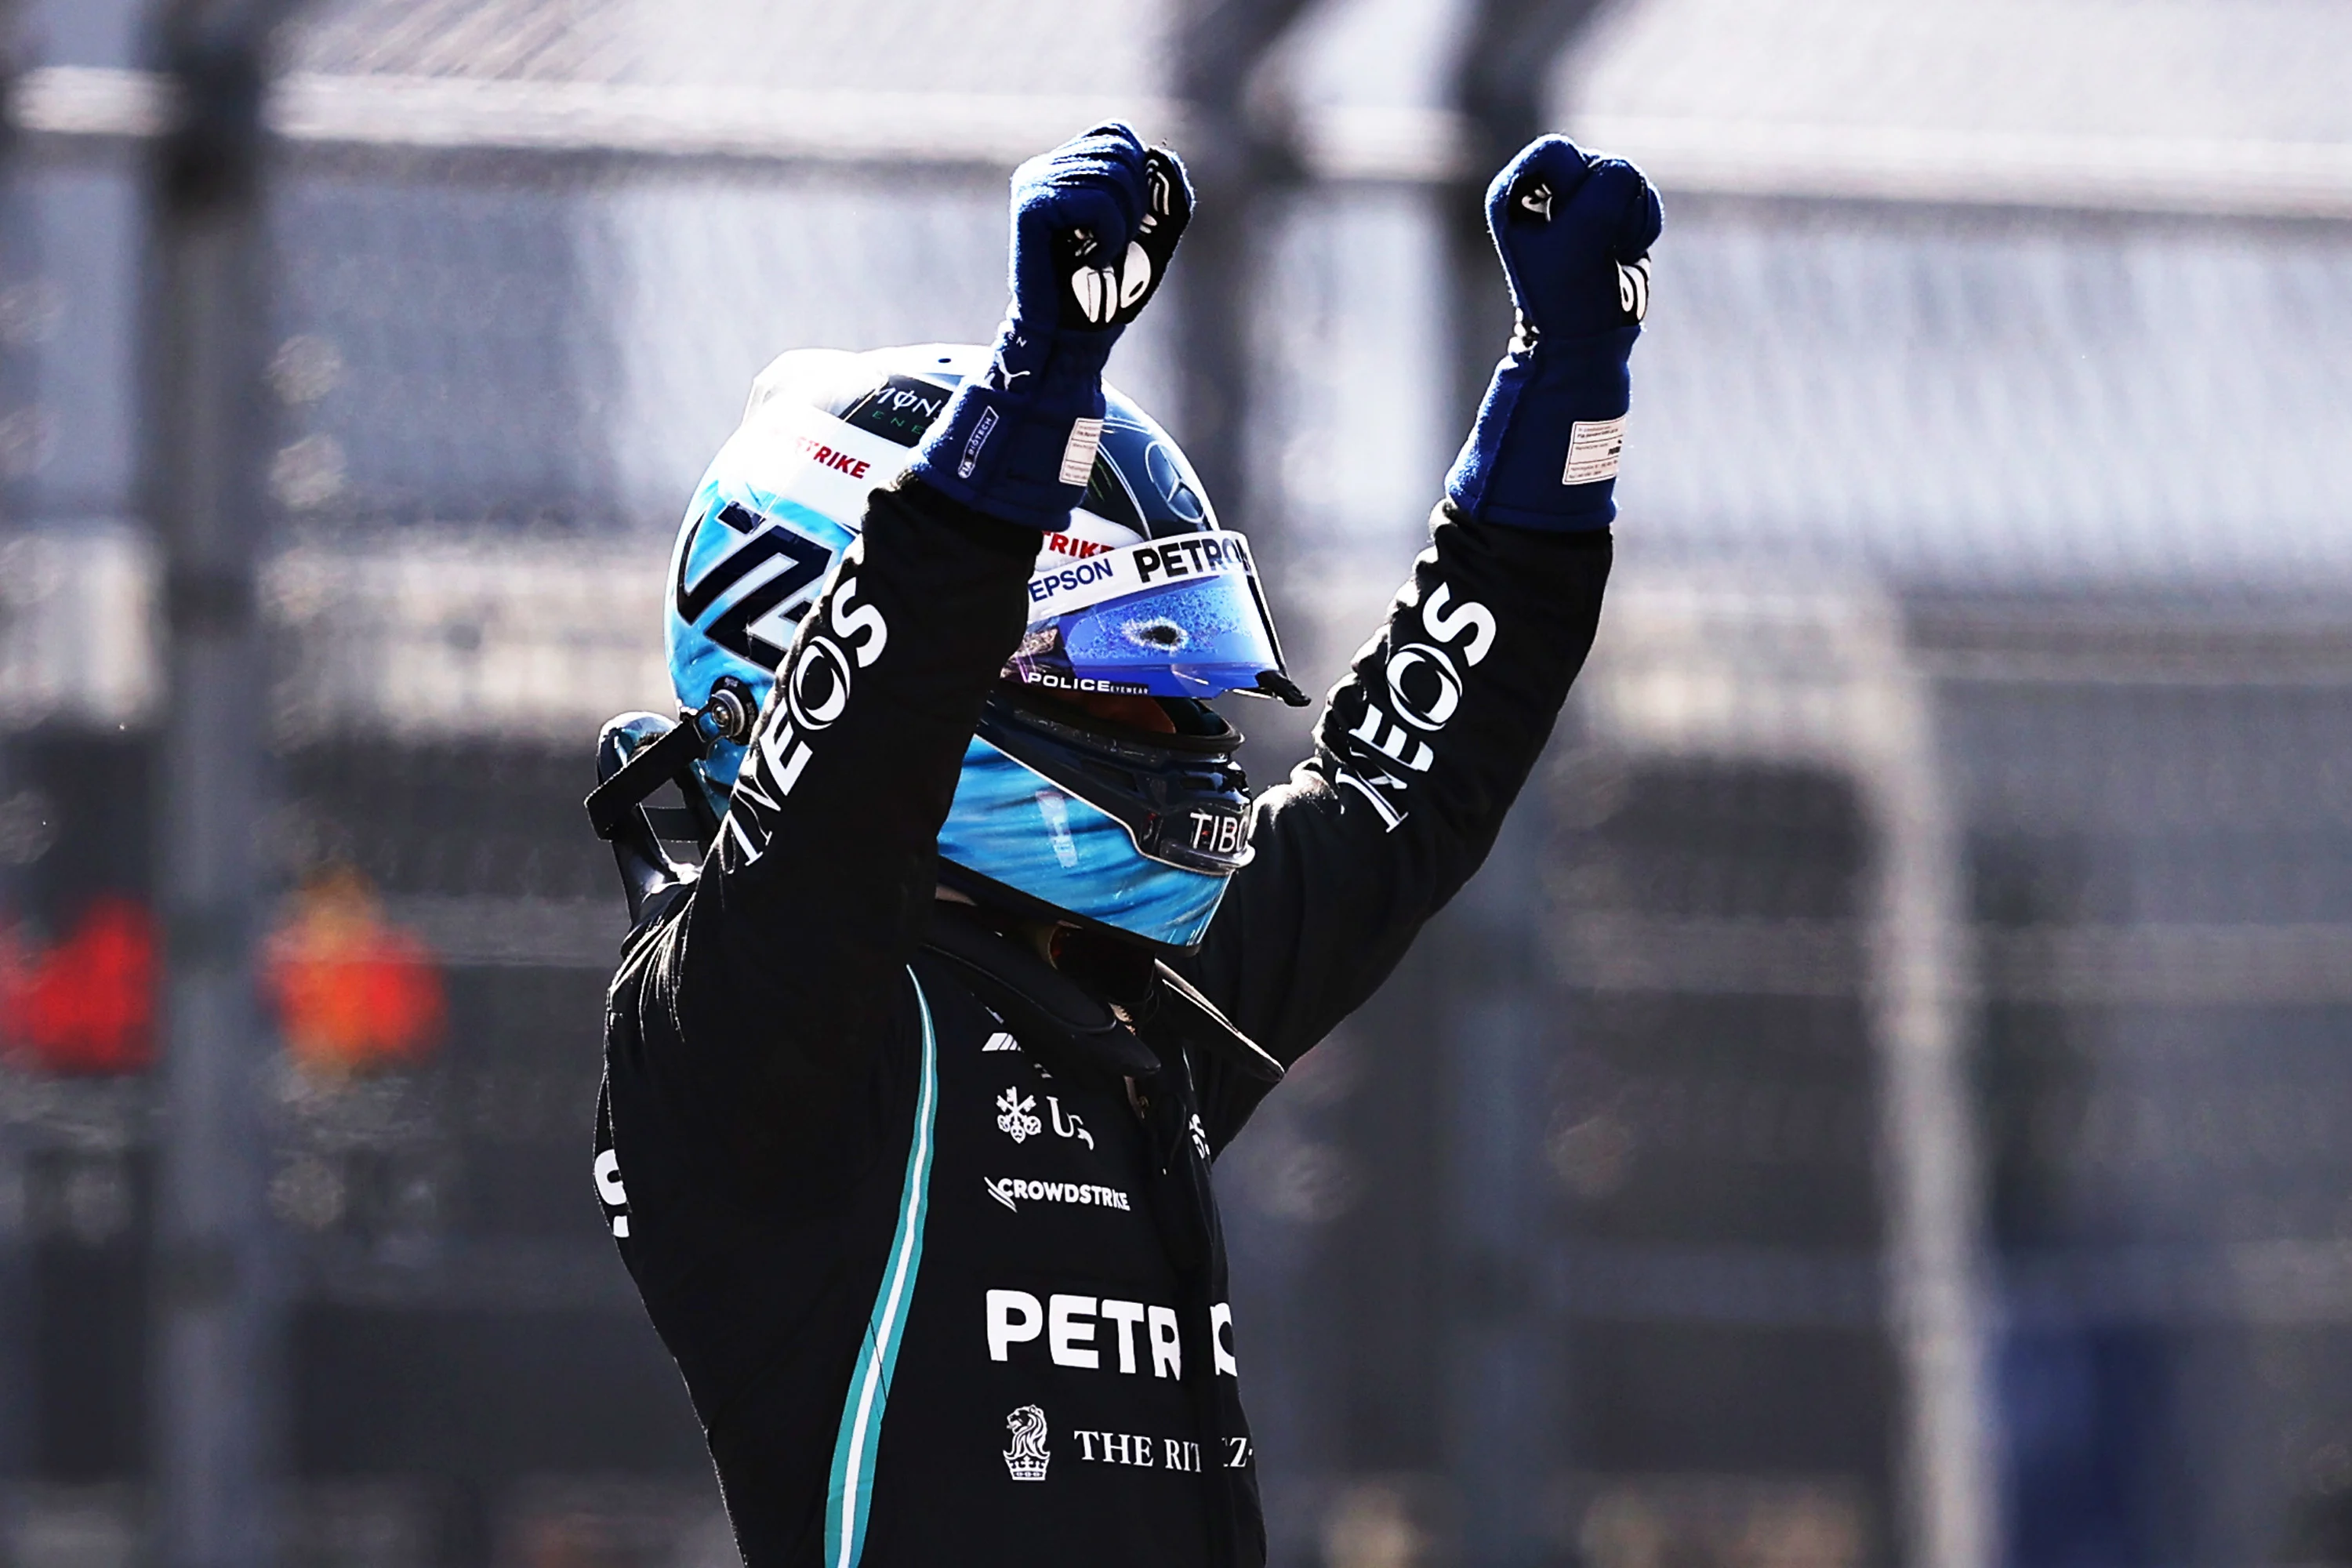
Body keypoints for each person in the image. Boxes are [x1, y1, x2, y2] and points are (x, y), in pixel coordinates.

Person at [589, 122, 1660, 1567]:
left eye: (1172, 690)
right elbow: (864, 755)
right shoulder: (739, 1038)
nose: (1177, 738)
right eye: (1108, 683)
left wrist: (1566, 392)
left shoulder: (1133, 1002)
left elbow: (1410, 785)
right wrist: (1030, 394)